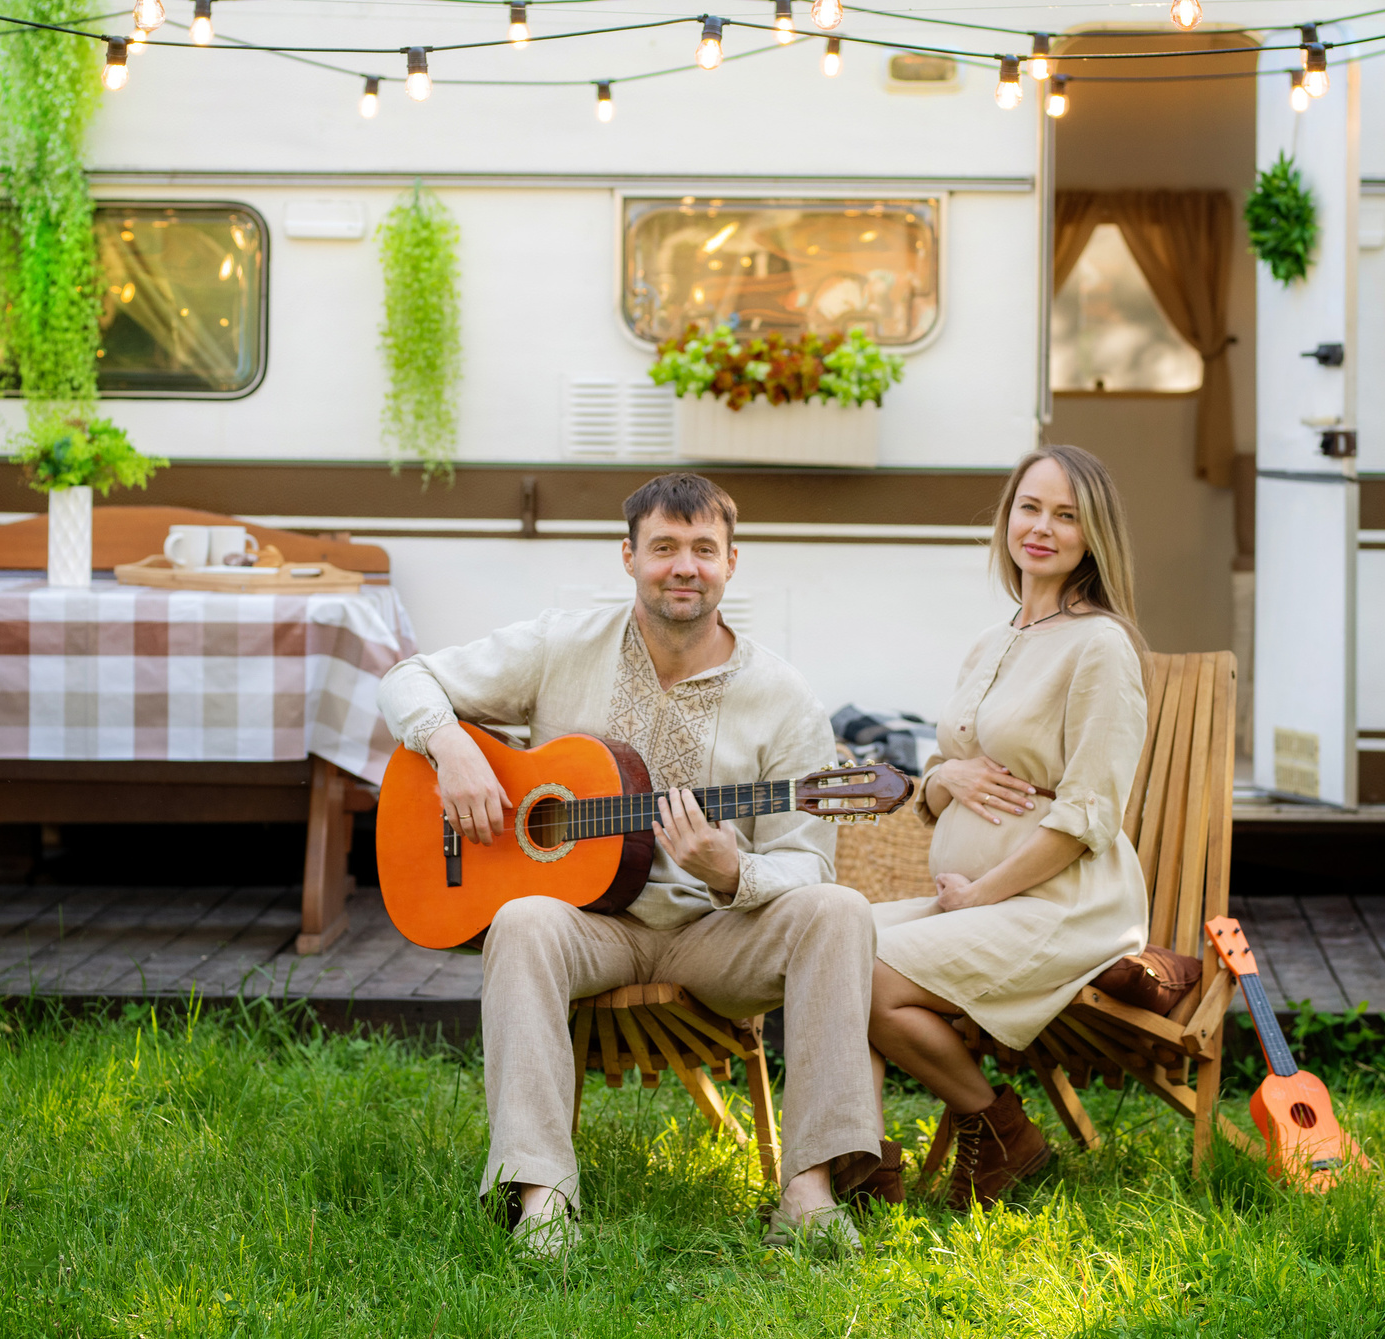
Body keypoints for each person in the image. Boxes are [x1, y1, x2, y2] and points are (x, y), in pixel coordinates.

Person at [377, 472, 886, 1256]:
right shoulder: (562, 643)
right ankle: (540, 1193)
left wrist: (731, 871)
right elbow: (406, 678)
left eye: (703, 550)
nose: (684, 566)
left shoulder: (784, 698)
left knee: (842, 909)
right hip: (592, 926)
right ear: (629, 557)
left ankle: (809, 1190)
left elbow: (808, 863)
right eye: (665, 548)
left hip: (713, 933)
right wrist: (451, 750)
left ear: (731, 562)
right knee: (520, 918)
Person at [867, 444, 1152, 1210]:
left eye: (1066, 515)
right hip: (983, 897)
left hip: (1064, 903)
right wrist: (940, 779)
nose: (1043, 527)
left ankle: (1000, 1133)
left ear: (1093, 535)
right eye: (1030, 507)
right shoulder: (991, 642)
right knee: (831, 937)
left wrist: (982, 895)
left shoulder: (1100, 646)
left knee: (863, 969)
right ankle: (856, 1161)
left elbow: (1088, 813)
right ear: (1007, 517)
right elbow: (943, 773)